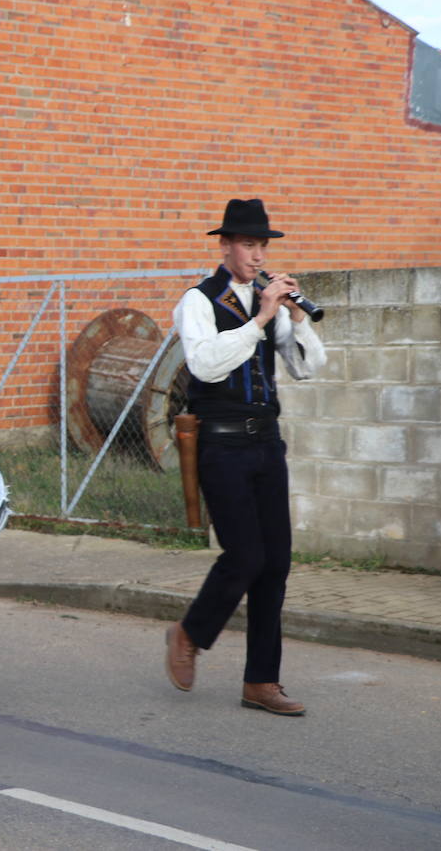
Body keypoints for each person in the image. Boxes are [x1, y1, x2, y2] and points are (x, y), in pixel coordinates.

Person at [165, 198, 326, 716]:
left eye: (263, 246)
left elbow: (307, 368)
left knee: (275, 562)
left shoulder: (268, 301)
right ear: (226, 246)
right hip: (222, 443)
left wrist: (297, 318)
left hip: (264, 442)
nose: (258, 256)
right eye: (249, 245)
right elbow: (206, 365)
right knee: (245, 556)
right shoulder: (198, 300)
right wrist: (260, 319)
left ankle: (261, 681)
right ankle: (191, 632)